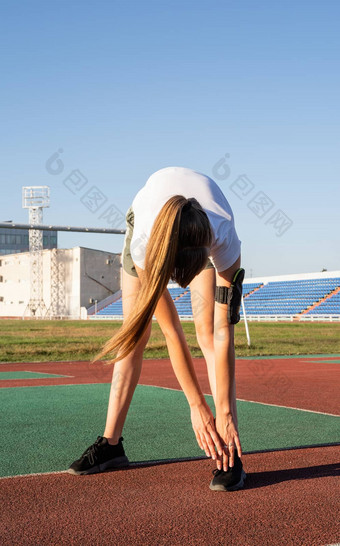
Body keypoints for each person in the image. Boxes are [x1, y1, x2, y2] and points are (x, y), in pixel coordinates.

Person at [68, 166, 246, 491]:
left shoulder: (223, 238)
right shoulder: (144, 247)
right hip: (152, 225)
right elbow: (171, 332)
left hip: (197, 229)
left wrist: (221, 413)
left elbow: (224, 333)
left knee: (206, 330)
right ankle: (111, 444)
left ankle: (229, 452)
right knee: (134, 334)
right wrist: (196, 406)